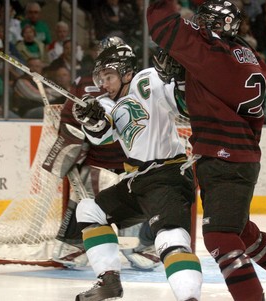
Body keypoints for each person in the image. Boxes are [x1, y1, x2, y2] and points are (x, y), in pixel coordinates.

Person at [147, 1, 266, 301]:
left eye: (205, 23)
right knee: (239, 230)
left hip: (223, 157)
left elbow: (161, 23)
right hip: (241, 154)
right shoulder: (251, 57)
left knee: (219, 236)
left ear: (216, 27)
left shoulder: (209, 56)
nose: (200, 27)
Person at [72, 43, 202, 301]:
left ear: (126, 73)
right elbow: (101, 134)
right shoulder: (107, 103)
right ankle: (109, 282)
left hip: (168, 176)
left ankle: (190, 298)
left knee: (170, 240)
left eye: (108, 77)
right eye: (101, 78)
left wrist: (180, 81)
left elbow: (185, 107)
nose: (104, 84)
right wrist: (90, 117)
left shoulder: (148, 79)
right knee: (89, 210)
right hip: (137, 182)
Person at [43, 72, 161, 271]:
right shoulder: (85, 83)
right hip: (97, 163)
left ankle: (142, 245)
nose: (106, 83)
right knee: (87, 190)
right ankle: (74, 245)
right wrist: (70, 150)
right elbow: (69, 120)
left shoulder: (142, 85)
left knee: (147, 188)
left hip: (132, 164)